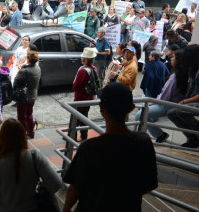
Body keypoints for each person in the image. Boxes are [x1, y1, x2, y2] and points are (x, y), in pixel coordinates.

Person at [63, 83, 157, 212]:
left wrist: (65, 209)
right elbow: (150, 184)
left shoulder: (89, 148)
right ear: (131, 108)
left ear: (101, 108)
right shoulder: (143, 142)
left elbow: (75, 189)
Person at [0, 118, 62, 212]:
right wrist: (42, 187)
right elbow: (56, 183)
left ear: (1, 138)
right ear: (24, 136)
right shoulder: (34, 157)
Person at [135, 49, 187, 143]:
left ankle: (156, 135)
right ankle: (143, 135)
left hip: (167, 104)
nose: (171, 58)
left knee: (140, 114)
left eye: (173, 57)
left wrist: (154, 101)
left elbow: (166, 95)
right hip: (169, 101)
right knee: (144, 113)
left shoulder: (175, 76)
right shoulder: (179, 73)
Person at [167, 45, 199, 148]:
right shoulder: (193, 69)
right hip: (194, 101)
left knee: (181, 111)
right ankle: (193, 138)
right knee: (172, 113)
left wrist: (186, 101)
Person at [72, 47, 98, 141]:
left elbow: (75, 86)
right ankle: (84, 136)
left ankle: (72, 136)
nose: (81, 58)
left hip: (80, 97)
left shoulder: (83, 70)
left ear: (86, 59)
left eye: (82, 57)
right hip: (89, 97)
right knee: (84, 116)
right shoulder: (93, 68)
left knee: (76, 118)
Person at [14, 51, 41, 139]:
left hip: (24, 97)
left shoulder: (25, 70)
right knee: (29, 114)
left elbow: (16, 82)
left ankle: (23, 134)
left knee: (21, 116)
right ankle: (31, 132)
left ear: (28, 59)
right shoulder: (37, 68)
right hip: (33, 95)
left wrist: (19, 72)